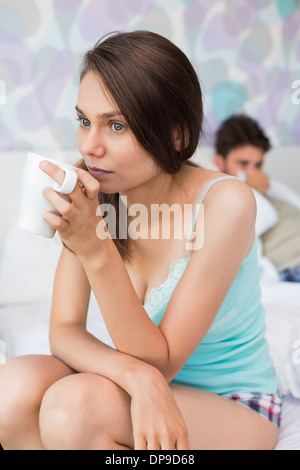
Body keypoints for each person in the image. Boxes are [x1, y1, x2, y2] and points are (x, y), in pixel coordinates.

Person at [0, 31, 280, 450]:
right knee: (11, 391)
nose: (90, 147)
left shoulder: (226, 204)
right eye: (83, 121)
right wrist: (135, 376)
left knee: (74, 408)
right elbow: (64, 330)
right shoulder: (95, 193)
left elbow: (161, 362)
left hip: (233, 404)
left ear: (178, 136)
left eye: (116, 125)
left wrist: (94, 246)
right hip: (140, 387)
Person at [214, 114, 300, 283]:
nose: (252, 172)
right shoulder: (220, 198)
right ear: (219, 162)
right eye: (243, 164)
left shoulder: (272, 188)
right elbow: (235, 239)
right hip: (293, 265)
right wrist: (254, 193)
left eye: (258, 165)